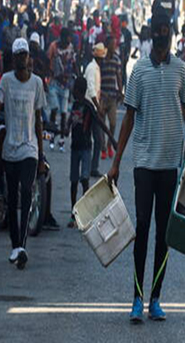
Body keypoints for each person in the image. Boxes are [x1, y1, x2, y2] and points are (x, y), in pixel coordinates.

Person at [107, 9, 185, 323]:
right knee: (142, 228)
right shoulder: (140, 71)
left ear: (170, 34)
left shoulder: (181, 70)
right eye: (157, 30)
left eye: (166, 29)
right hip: (144, 163)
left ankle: (155, 298)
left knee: (164, 234)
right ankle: (136, 297)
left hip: (170, 164)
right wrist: (116, 162)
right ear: (152, 34)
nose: (162, 34)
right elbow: (128, 117)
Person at [0, 38, 47, 270]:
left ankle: (22, 246)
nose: (23, 58)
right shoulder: (6, 81)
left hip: (29, 149)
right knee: (12, 200)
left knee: (26, 191)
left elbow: (39, 121)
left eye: (26, 55)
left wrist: (41, 157)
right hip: (9, 149)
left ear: (29, 58)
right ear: (14, 59)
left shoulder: (37, 84)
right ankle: (15, 246)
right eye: (19, 55)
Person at [66, 77, 117, 228]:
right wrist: (65, 128)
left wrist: (112, 140)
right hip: (75, 148)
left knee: (84, 179)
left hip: (86, 148)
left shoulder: (88, 106)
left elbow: (100, 123)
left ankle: (84, 214)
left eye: (74, 89)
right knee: (74, 181)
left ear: (79, 90)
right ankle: (73, 213)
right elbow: (71, 120)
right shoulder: (75, 104)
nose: (73, 92)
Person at [48, 27, 77, 152]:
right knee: (54, 109)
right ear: (63, 37)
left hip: (65, 84)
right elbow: (48, 61)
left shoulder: (70, 48)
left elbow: (74, 62)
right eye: (68, 37)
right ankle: (51, 135)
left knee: (64, 112)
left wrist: (78, 77)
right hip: (54, 83)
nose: (69, 40)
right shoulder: (53, 46)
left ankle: (61, 139)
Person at [85, 42, 107, 177]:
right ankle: (92, 167)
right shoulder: (92, 68)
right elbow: (91, 89)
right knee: (97, 139)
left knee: (94, 139)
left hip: (92, 105)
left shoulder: (95, 67)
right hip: (90, 107)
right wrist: (98, 107)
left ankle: (91, 167)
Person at [99, 35, 122, 160]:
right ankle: (103, 148)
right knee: (102, 124)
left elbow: (118, 76)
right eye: (113, 44)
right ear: (107, 46)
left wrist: (120, 91)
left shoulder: (116, 60)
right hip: (102, 95)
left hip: (112, 96)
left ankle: (109, 144)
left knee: (113, 123)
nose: (115, 47)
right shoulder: (101, 60)